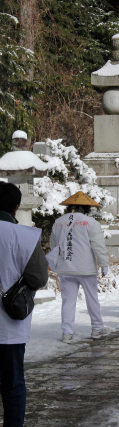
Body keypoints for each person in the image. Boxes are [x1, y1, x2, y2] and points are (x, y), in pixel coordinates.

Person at [0, 182, 48, 427]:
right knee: (13, 383)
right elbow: (39, 278)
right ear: (16, 208)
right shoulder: (26, 236)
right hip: (9, 326)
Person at [48, 191, 109, 343]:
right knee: (92, 299)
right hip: (86, 267)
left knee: (68, 301)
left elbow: (53, 245)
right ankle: (96, 328)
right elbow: (98, 246)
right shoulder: (90, 223)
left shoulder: (58, 222)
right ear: (87, 208)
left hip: (65, 267)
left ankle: (67, 332)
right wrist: (104, 264)